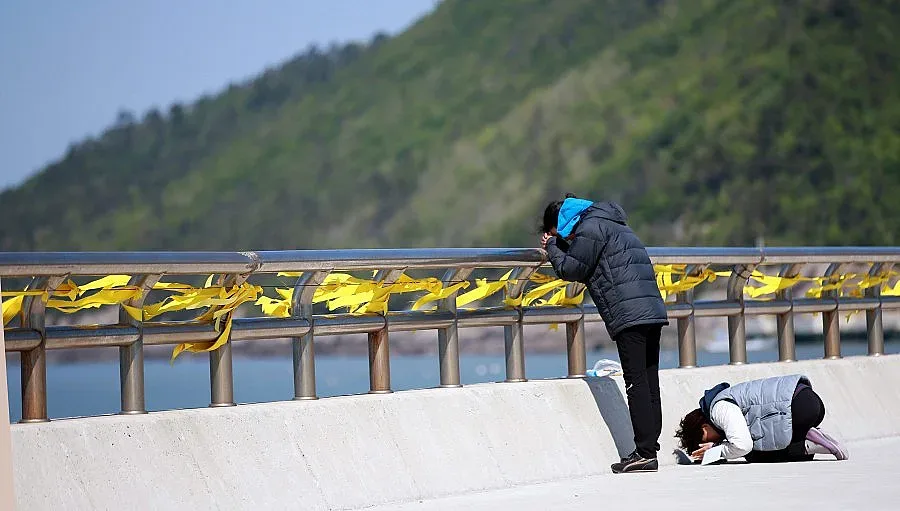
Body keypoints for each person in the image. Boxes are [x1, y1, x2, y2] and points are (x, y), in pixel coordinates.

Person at [541, 193, 669, 474]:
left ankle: (644, 453)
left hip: (629, 314)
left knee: (636, 383)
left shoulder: (589, 228)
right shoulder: (611, 222)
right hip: (651, 308)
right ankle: (650, 446)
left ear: (561, 223)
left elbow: (571, 267)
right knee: (649, 380)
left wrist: (552, 246)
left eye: (556, 232)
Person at [675, 374, 849, 464]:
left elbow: (743, 445)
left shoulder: (719, 408)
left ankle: (809, 443)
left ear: (704, 427)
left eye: (703, 441)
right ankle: (808, 437)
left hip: (798, 408)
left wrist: (715, 451)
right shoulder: (724, 400)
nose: (706, 445)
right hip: (806, 401)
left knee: (753, 454)